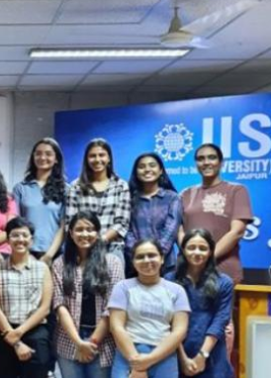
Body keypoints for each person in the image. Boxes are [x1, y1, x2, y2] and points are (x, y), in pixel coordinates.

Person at [52, 211, 124, 378]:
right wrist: (79, 343)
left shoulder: (112, 262)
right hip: (68, 340)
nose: (84, 234)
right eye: (79, 229)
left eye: (90, 229)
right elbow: (59, 305)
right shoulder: (60, 263)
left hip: (103, 342)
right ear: (71, 233)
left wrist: (91, 343)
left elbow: (113, 307)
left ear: (97, 233)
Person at [108, 239, 190, 378]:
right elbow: (116, 327)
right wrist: (137, 364)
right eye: (140, 257)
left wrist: (149, 360)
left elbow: (179, 331)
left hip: (164, 356)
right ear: (133, 262)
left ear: (162, 258)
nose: (146, 260)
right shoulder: (122, 287)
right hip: (128, 354)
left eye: (152, 255)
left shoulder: (177, 291)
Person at [180, 143, 253, 286]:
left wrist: (205, 259)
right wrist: (192, 258)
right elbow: (179, 230)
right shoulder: (185, 194)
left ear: (221, 162)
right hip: (189, 271)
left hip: (224, 271)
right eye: (201, 159)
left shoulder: (236, 190)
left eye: (212, 157)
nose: (206, 162)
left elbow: (237, 232)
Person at [0, 217, 53, 378]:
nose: (20, 239)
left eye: (25, 235)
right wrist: (13, 338)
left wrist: (18, 333)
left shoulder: (42, 268)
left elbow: (45, 308)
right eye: (15, 235)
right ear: (7, 239)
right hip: (4, 331)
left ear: (31, 240)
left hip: (35, 332)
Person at [169, 229, 234, 378]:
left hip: (212, 356)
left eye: (203, 248)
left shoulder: (224, 282)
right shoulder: (169, 280)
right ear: (183, 250)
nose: (197, 252)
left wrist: (202, 355)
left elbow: (220, 321)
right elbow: (168, 322)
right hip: (175, 354)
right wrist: (183, 359)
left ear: (210, 251)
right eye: (191, 247)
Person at [66, 139, 131, 262]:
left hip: (112, 248)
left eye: (101, 155)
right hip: (82, 249)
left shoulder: (121, 186)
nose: (97, 159)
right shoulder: (75, 187)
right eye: (92, 156)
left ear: (109, 158)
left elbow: (122, 223)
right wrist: (86, 241)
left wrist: (101, 240)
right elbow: (70, 221)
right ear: (86, 159)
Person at [13, 138, 67, 264]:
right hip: (26, 253)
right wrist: (25, 253)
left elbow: (64, 226)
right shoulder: (20, 188)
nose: (42, 157)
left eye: (48, 154)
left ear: (56, 159)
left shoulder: (65, 189)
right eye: (38, 153)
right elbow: (16, 224)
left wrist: (49, 255)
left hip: (55, 255)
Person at [126, 152, 181, 275]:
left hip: (165, 265)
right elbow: (127, 230)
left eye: (152, 165)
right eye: (142, 166)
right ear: (136, 172)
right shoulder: (128, 198)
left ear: (160, 170)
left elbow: (171, 231)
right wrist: (138, 255)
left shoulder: (172, 198)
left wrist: (156, 256)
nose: (147, 169)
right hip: (134, 265)